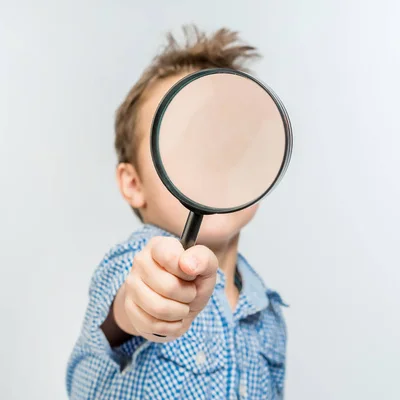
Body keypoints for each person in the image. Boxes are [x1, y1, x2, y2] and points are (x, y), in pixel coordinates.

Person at [66, 25, 287, 400]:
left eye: (233, 144)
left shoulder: (268, 311)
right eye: (188, 142)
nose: (215, 160)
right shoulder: (135, 265)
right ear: (133, 183)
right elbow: (120, 315)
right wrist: (134, 312)